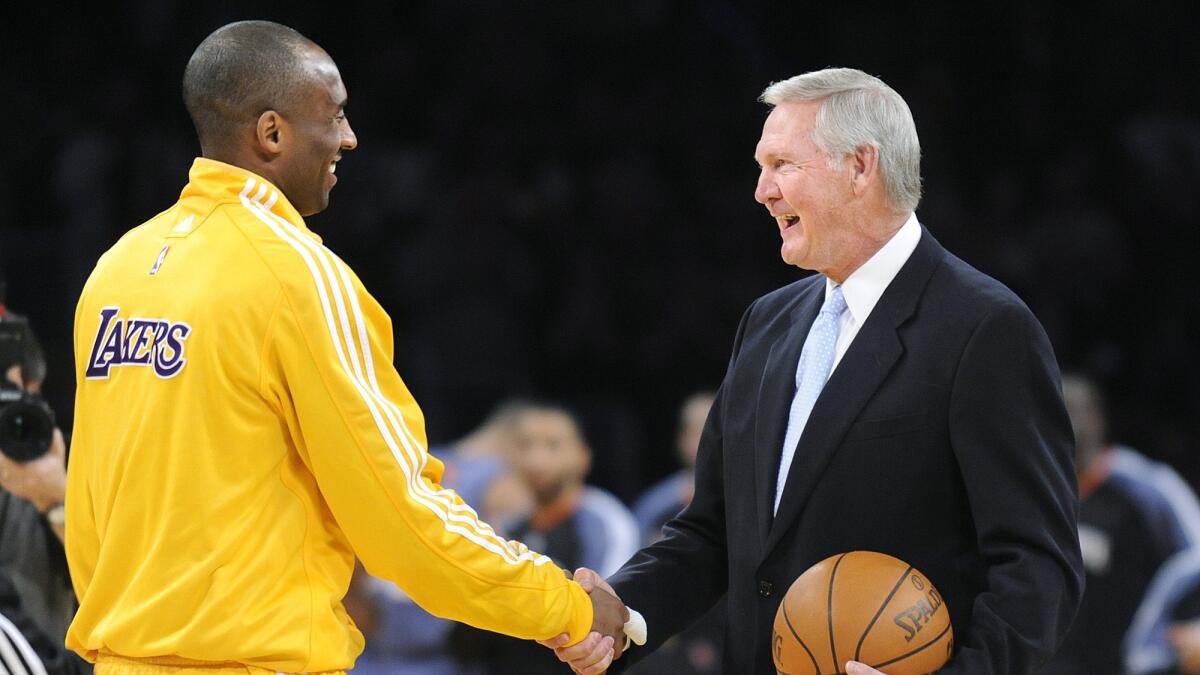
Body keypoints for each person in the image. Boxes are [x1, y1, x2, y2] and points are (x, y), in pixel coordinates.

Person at [64, 20, 627, 674]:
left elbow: (90, 508)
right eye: (332, 116)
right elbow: (401, 518)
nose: (349, 137)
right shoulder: (296, 274)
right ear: (271, 133)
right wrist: (567, 607)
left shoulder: (117, 268)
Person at [549, 67, 1083, 674]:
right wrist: (624, 612)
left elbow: (1037, 566)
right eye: (760, 166)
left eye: (783, 165)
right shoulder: (767, 323)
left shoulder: (985, 328)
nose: (761, 190)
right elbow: (713, 533)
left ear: (860, 167)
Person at [452, 403, 640, 674]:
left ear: (583, 456)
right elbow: (466, 636)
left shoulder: (605, 522)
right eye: (526, 445)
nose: (537, 459)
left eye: (553, 445)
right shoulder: (504, 527)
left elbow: (611, 616)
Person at [1041, 373, 1200, 674]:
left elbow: (1195, 556)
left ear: (1099, 418)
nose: (1069, 422)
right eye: (1057, 408)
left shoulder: (1145, 486)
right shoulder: (1025, 491)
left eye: (1077, 410)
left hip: (1122, 664)